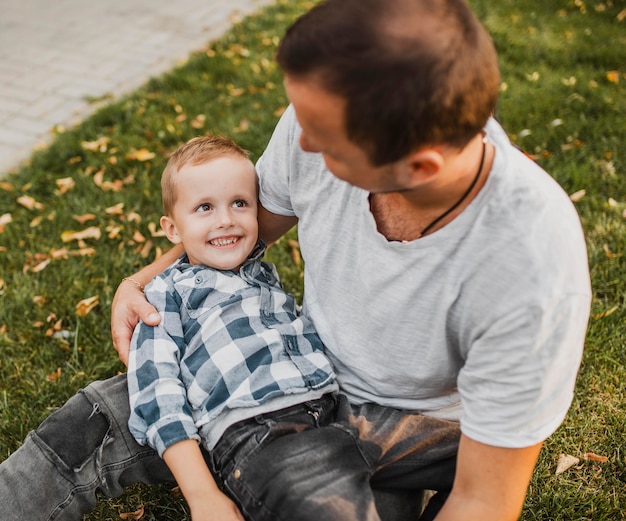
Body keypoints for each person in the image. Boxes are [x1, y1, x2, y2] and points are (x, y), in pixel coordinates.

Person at [0, 0, 592, 520]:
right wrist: (145, 280)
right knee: (90, 425)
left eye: (323, 140)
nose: (300, 142)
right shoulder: (325, 113)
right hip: (266, 374)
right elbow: (243, 231)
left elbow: (486, 500)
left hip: (411, 426)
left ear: (419, 169)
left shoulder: (530, 269)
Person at [126, 135, 337, 521]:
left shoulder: (260, 275)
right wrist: (202, 494)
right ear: (172, 230)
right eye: (204, 207)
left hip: (331, 412)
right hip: (255, 430)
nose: (226, 219)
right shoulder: (166, 295)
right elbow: (158, 394)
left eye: (240, 203)